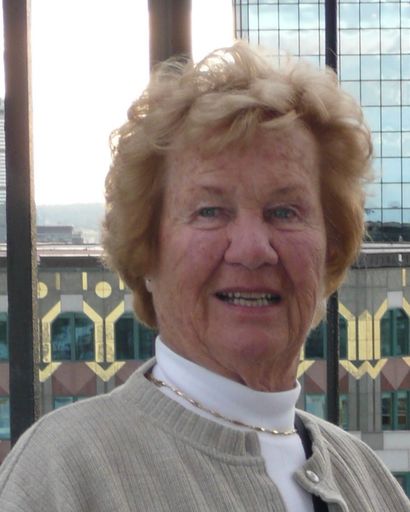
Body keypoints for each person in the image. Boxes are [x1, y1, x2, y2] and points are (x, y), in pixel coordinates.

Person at [0, 42, 409, 512]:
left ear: (329, 248)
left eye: (284, 211)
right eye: (210, 211)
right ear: (148, 250)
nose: (252, 250)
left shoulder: (368, 480)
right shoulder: (62, 474)